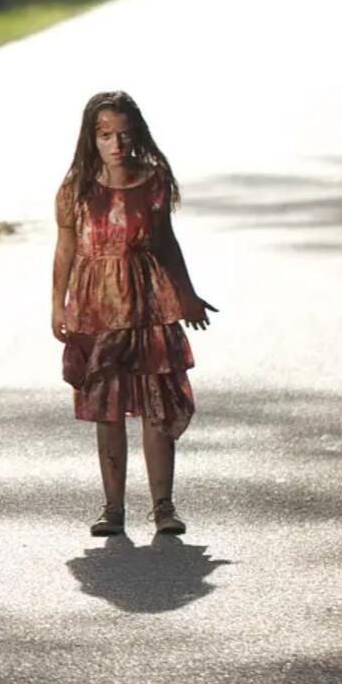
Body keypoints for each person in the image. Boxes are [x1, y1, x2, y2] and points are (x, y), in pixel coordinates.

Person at [50, 91, 215, 537]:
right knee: (107, 408)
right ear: (92, 138)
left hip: (148, 303)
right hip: (95, 307)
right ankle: (112, 508)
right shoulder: (76, 189)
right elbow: (66, 248)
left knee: (156, 405)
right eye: (106, 135)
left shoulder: (154, 181)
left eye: (123, 134)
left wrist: (187, 294)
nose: (116, 144)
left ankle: (164, 506)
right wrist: (58, 303)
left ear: (136, 134)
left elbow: (165, 243)